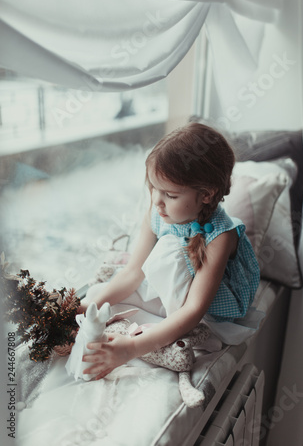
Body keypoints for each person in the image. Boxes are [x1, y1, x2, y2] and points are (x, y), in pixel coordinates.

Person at [80, 122, 260, 379]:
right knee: (99, 295)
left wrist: (131, 348)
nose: (156, 201)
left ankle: (158, 340)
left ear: (206, 195)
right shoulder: (157, 212)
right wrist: (87, 306)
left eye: (170, 195)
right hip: (175, 291)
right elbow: (133, 273)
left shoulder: (220, 237)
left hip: (205, 311)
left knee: (153, 327)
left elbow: (193, 310)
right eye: (153, 188)